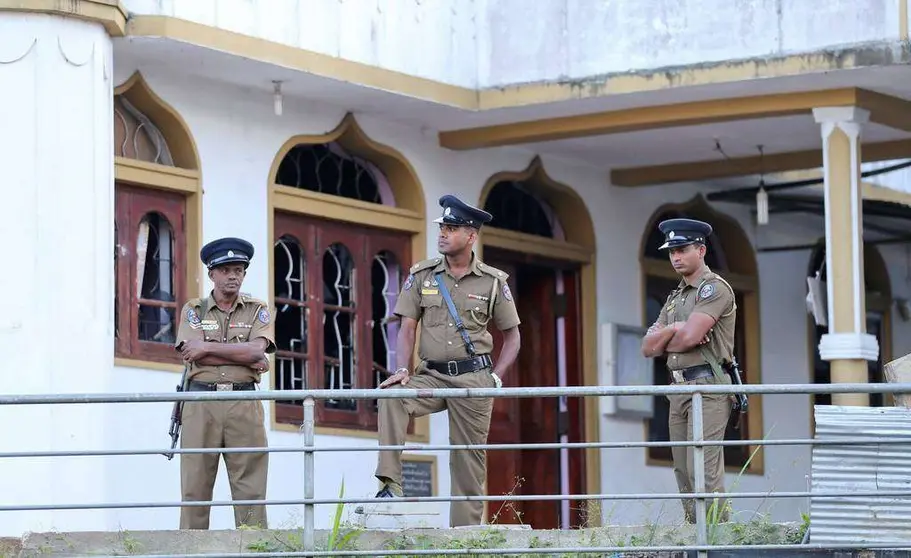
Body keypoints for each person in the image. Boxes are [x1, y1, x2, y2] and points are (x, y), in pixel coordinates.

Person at [374, 194, 522, 527]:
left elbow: (513, 336)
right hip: (432, 376)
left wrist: (496, 377)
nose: (442, 233)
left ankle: (465, 535)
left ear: (471, 236)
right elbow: (406, 326)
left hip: (473, 379)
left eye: (451, 228)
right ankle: (389, 485)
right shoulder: (423, 275)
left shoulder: (492, 282)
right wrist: (402, 370)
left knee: (467, 459)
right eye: (442, 227)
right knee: (392, 397)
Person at [639, 218, 737, 524]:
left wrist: (672, 333)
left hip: (707, 386)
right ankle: (695, 533)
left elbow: (690, 339)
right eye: (671, 252)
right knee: (682, 469)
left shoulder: (713, 289)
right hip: (678, 388)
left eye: (682, 249)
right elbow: (647, 348)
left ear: (701, 250)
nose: (676, 257)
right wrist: (676, 328)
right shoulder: (675, 297)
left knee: (703, 470)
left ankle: (718, 539)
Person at [174, 237, 275, 530]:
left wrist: (208, 348)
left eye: (239, 270)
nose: (234, 276)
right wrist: (242, 355)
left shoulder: (258, 309)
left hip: (244, 403)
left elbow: (258, 350)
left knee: (251, 490)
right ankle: (190, 552)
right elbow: (192, 353)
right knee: (195, 488)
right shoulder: (194, 309)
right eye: (227, 269)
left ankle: (254, 548)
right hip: (200, 403)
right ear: (212, 274)